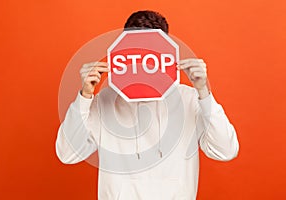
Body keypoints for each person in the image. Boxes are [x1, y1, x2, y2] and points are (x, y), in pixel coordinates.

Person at [56, 10, 239, 200]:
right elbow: (67, 153)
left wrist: (204, 92)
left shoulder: (189, 98)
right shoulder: (105, 99)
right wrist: (85, 96)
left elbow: (225, 150)